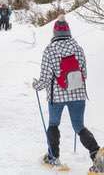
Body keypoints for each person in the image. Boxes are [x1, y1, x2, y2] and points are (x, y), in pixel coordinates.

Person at [32, 15, 103, 173]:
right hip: (77, 94)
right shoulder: (78, 48)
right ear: (69, 31)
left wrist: (36, 85)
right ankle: (97, 155)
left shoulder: (50, 50)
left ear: (54, 33)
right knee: (79, 126)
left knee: (53, 124)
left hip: (56, 96)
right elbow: (84, 72)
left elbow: (45, 78)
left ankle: (53, 157)